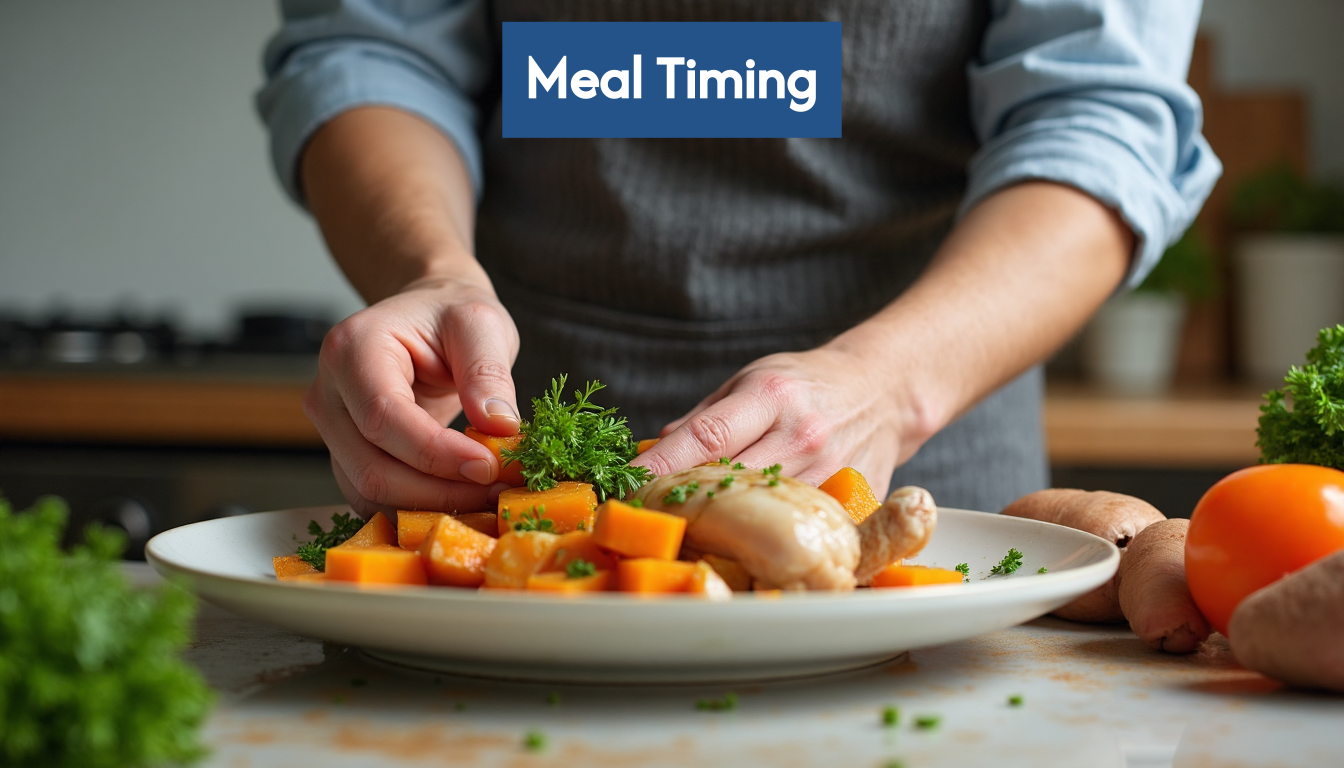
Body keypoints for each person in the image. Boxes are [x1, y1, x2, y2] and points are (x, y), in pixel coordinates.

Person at [257, 0, 1219, 519]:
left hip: (920, 456)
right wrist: (432, 272)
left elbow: (1095, 115)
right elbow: (374, 52)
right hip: (509, 466)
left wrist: (888, 385)